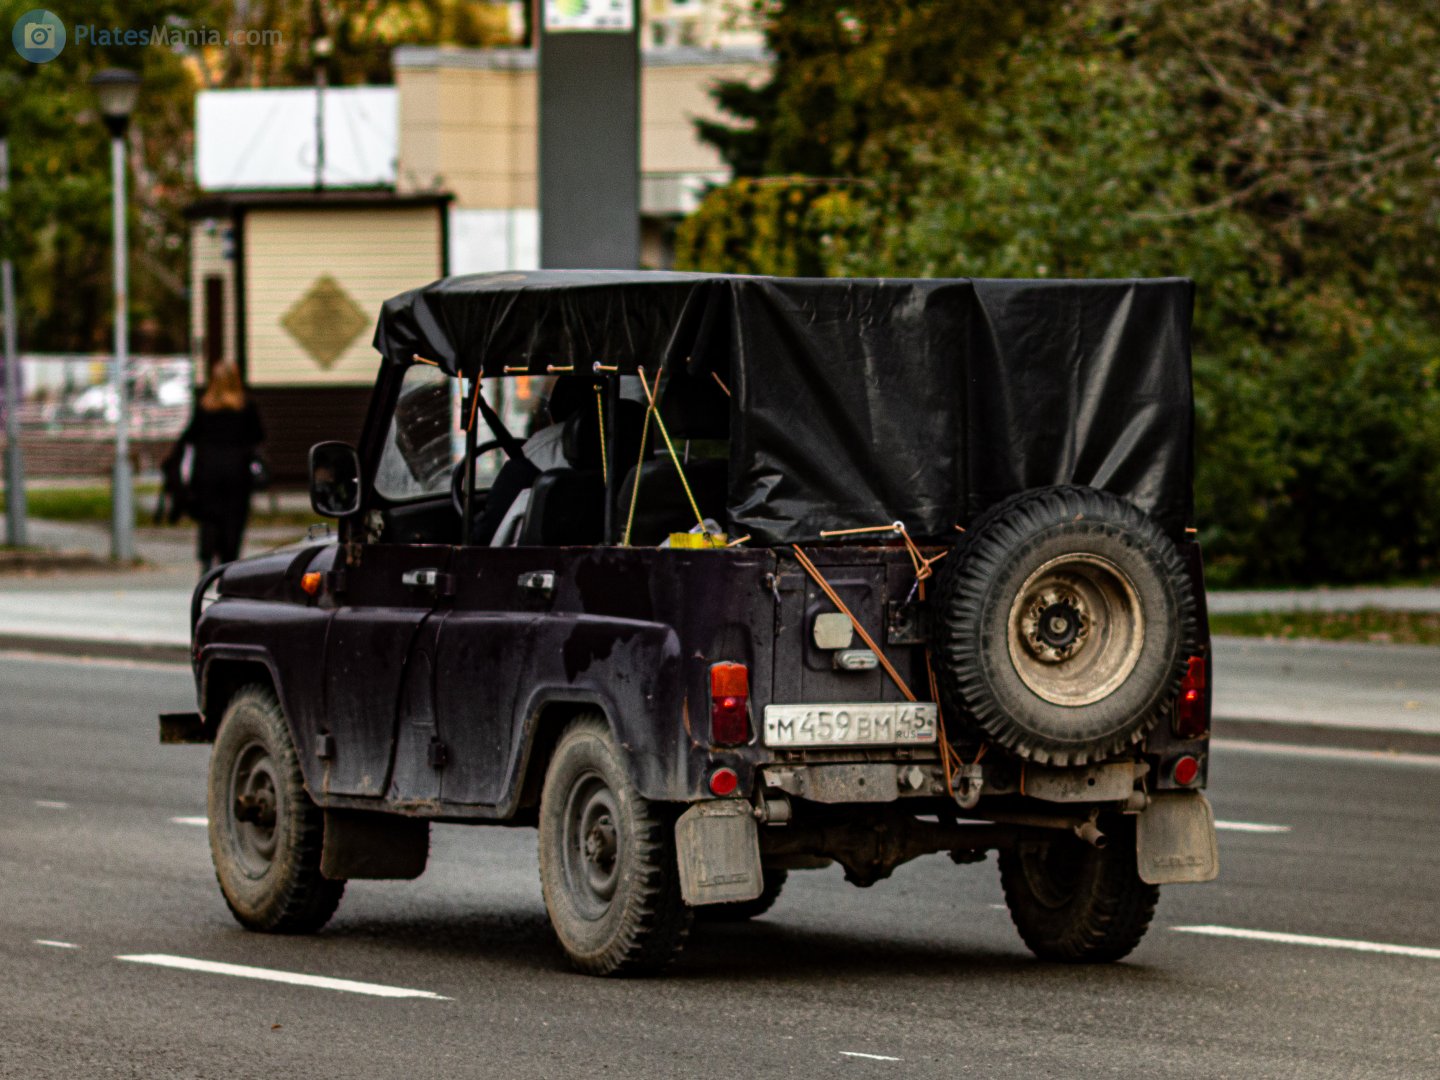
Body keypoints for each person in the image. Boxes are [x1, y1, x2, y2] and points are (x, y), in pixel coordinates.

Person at [178, 361, 264, 571]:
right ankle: (229, 565)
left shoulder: (204, 406)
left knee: (209, 518)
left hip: (207, 470)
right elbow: (259, 435)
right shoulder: (246, 406)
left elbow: (190, 436)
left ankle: (207, 562)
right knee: (233, 519)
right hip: (237, 471)